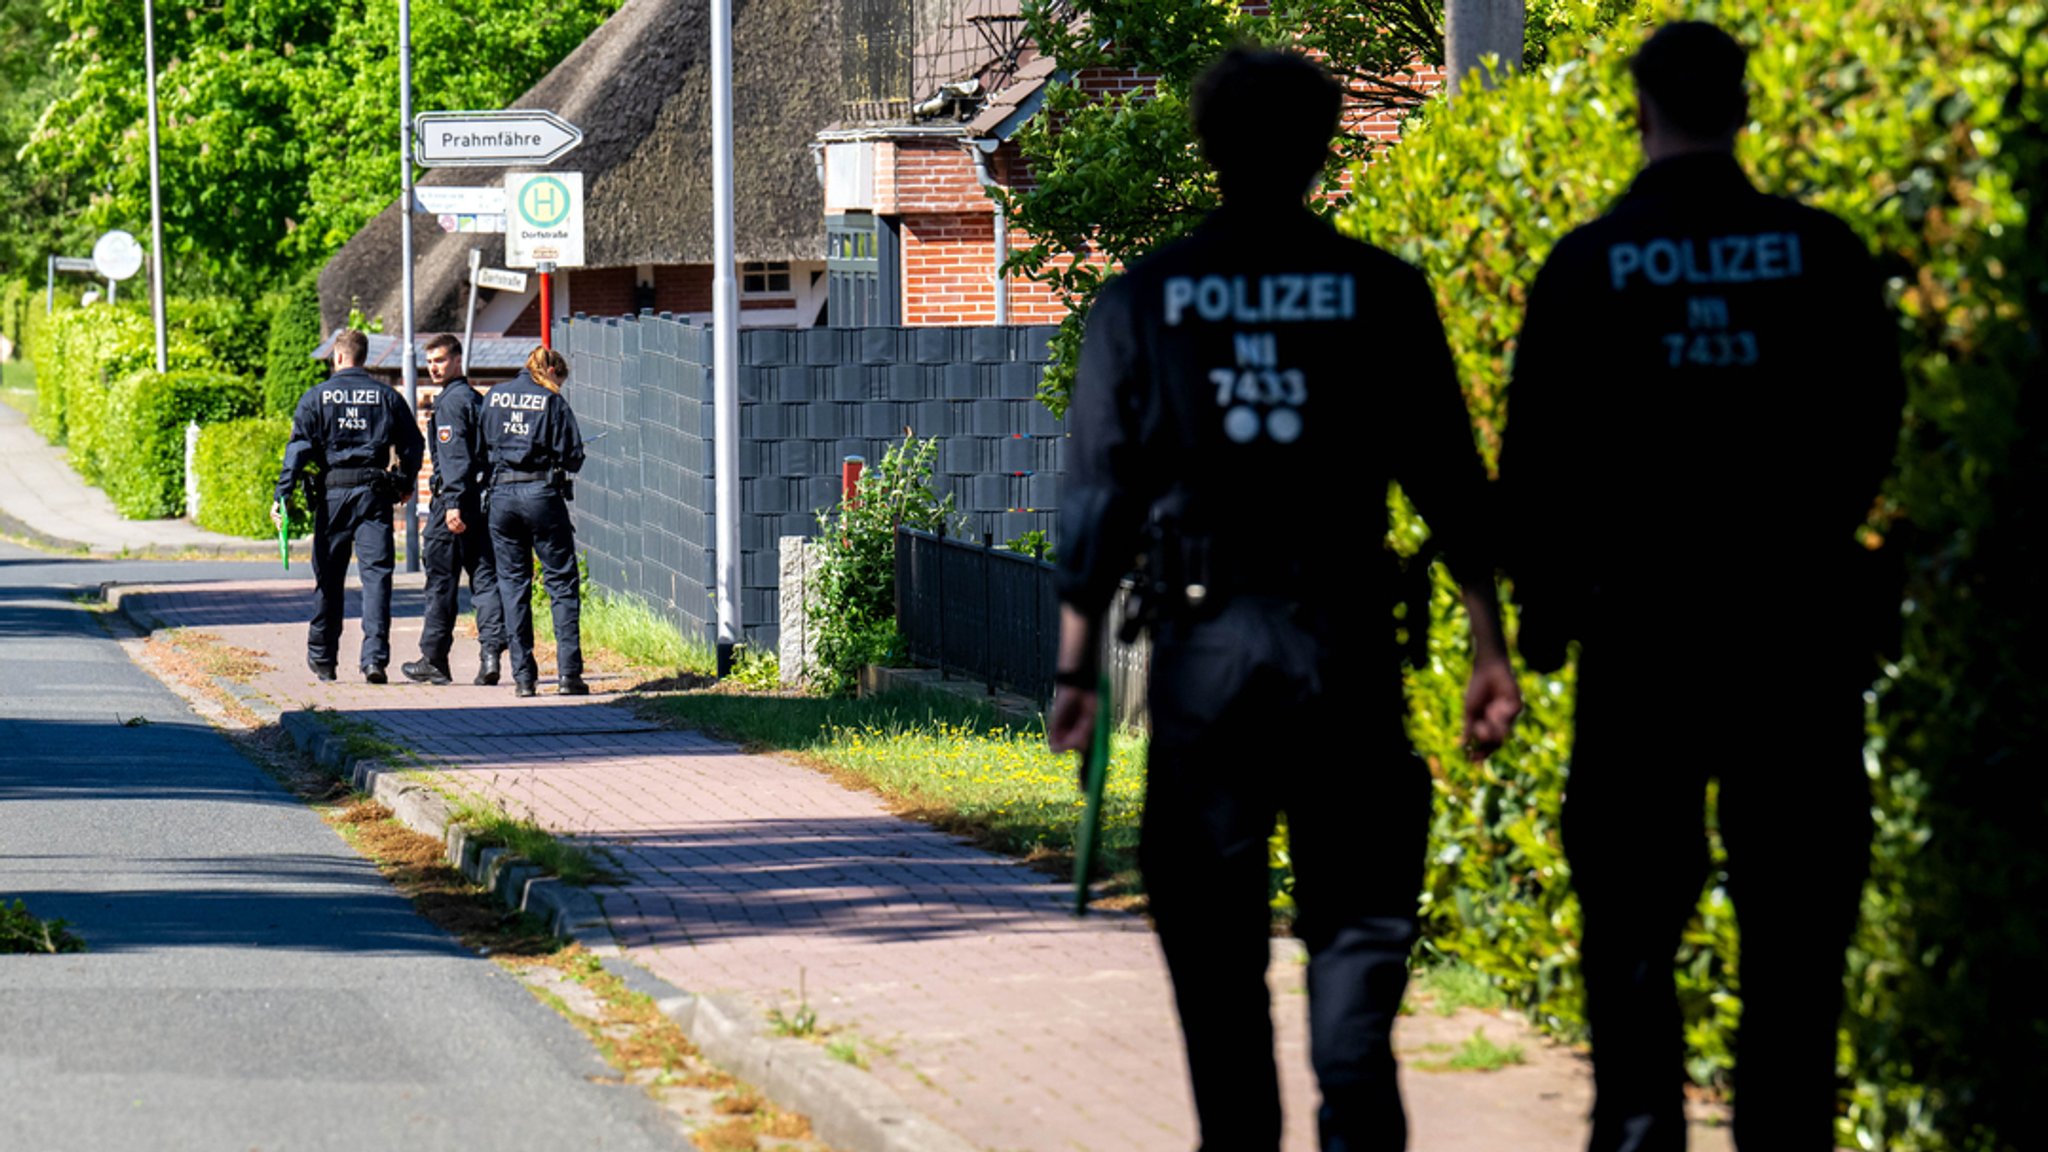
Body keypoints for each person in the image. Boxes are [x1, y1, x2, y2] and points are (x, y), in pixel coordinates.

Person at [1045, 47, 1522, 1152]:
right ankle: (1354, 1097)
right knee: (1357, 919)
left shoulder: (1144, 300)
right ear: (1323, 147)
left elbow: (1097, 497)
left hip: (1206, 654)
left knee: (1213, 953)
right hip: (1342, 644)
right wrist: (1488, 641)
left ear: (1207, 150)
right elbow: (1451, 483)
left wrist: (1074, 668)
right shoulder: (1381, 293)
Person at [1496, 22, 1906, 1151]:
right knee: (1795, 923)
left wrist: (1542, 611)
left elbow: (1531, 465)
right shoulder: (1819, 254)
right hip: (1794, 636)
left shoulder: (1586, 266)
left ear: (1639, 116)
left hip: (1639, 639)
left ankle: (1637, 1130)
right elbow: (1874, 419)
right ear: (1744, 108)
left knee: (1628, 919)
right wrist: (1812, 534)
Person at [274, 328, 425, 684]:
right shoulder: (386, 396)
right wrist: (403, 483)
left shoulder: (316, 397)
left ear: (338, 357)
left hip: (333, 494)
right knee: (377, 578)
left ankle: (323, 659)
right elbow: (413, 444)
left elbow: (298, 450)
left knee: (329, 577)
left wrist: (283, 494)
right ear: (364, 357)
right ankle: (374, 660)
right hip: (374, 494)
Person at [465, 345, 587, 698]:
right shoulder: (551, 402)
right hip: (541, 496)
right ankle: (569, 675)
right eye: (559, 381)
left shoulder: (494, 397)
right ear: (550, 370)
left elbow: (479, 449)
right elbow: (573, 456)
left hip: (501, 498)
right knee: (561, 583)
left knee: (512, 586)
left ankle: (523, 679)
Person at [401, 334, 507, 686]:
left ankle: (433, 659)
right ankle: (490, 655)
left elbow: (455, 458)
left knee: (441, 584)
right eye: (430, 361)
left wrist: (452, 504)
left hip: (455, 507)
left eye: (441, 360)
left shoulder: (450, 403)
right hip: (481, 503)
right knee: (485, 580)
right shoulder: (476, 401)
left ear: (457, 360)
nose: (434, 367)